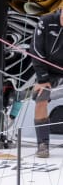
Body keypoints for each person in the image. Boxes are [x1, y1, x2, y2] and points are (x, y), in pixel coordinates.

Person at [31, 9, 63, 158]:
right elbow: (36, 50)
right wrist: (43, 79)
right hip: (48, 72)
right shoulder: (46, 21)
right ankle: (43, 145)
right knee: (41, 98)